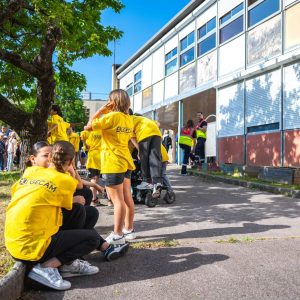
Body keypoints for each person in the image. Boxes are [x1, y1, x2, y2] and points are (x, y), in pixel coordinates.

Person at [5, 141, 128, 291]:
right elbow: (77, 187)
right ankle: (47, 267)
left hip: (13, 243)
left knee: (86, 211)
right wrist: (71, 170)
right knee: (92, 238)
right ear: (70, 161)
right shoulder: (64, 180)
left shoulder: (30, 172)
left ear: (51, 157)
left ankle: (68, 262)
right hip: (32, 248)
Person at [86, 89, 136, 244]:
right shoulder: (129, 119)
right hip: (126, 161)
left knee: (117, 200)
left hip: (112, 162)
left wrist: (100, 110)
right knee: (127, 198)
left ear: (112, 101)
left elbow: (88, 127)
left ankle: (117, 234)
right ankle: (129, 229)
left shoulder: (111, 116)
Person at [130, 113, 163, 198]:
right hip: (157, 133)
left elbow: (132, 138)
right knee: (155, 159)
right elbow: (158, 124)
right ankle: (157, 182)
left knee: (144, 158)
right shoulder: (142, 119)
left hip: (144, 134)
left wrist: (139, 150)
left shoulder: (128, 120)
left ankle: (146, 181)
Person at [85, 130, 103, 205]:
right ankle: (110, 200)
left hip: (93, 156)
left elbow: (87, 146)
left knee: (93, 179)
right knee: (106, 179)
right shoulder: (104, 131)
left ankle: (94, 199)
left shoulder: (92, 133)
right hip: (102, 156)